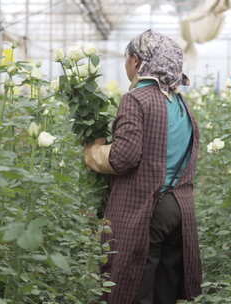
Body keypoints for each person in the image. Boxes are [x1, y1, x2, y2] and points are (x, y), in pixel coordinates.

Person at [83, 30, 202, 304]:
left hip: (147, 206)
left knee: (136, 283)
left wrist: (93, 152)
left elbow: (124, 157)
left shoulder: (137, 99)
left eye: (127, 59)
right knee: (166, 287)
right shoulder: (180, 103)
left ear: (137, 62)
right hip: (178, 207)